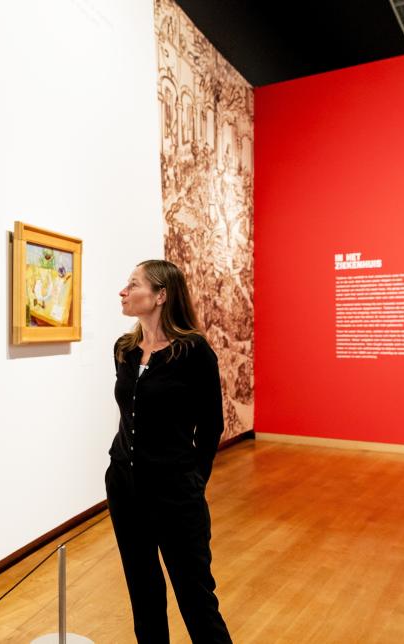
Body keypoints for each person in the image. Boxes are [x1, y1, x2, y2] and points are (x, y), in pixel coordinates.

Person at [106, 259, 232, 643]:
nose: (123, 291)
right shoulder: (125, 349)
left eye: (133, 284)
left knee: (195, 598)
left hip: (175, 491)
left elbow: (211, 426)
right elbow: (130, 410)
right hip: (125, 485)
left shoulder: (193, 352)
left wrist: (193, 481)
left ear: (161, 295)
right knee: (143, 594)